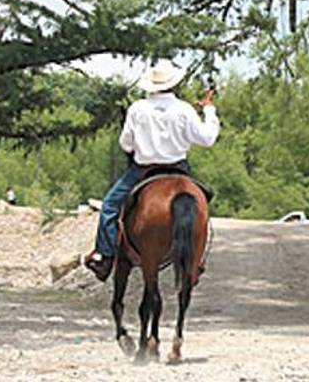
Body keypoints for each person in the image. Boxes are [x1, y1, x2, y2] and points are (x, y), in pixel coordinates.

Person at [81, 60, 220, 281]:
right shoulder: (184, 109)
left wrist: (141, 145)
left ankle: (105, 256)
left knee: (109, 206)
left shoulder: (137, 109)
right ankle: (197, 260)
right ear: (174, 84)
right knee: (201, 203)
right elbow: (207, 138)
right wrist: (209, 111)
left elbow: (126, 144)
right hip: (178, 169)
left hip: (143, 170)